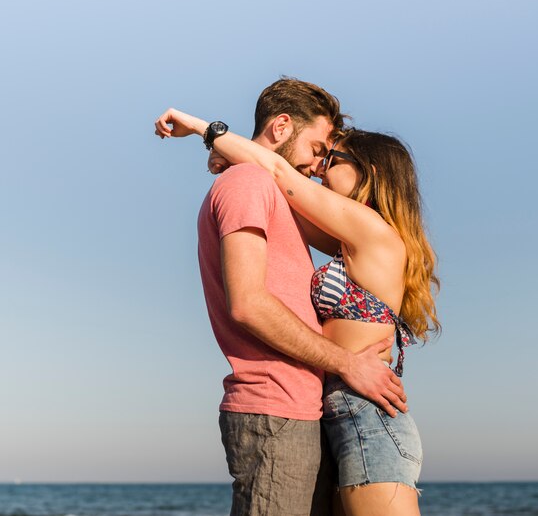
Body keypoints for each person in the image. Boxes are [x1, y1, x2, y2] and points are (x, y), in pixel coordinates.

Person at [155, 100, 440, 516]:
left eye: (333, 158)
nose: (321, 168)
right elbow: (278, 191)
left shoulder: (370, 230)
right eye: (320, 154)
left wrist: (205, 131)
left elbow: (278, 173)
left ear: (369, 172)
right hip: (340, 412)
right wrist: (233, 153)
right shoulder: (349, 236)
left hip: (366, 415)